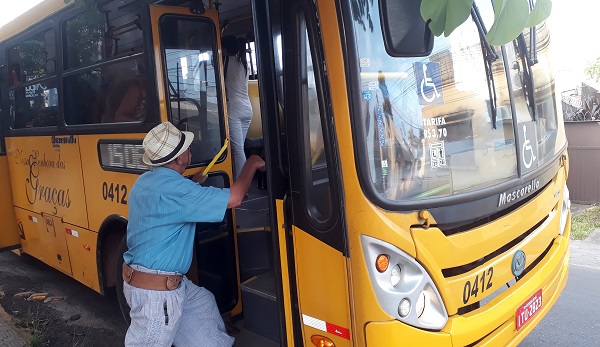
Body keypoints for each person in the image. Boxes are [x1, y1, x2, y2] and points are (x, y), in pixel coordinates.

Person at [122, 121, 265, 347]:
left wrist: (192, 182)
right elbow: (235, 197)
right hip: (157, 295)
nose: (190, 151)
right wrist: (252, 163)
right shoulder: (179, 191)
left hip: (162, 283)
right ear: (179, 159)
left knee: (203, 304)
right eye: (187, 148)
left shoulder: (146, 181)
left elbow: (171, 199)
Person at [222, 35, 253, 179]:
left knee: (238, 149)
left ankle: (242, 185)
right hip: (247, 108)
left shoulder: (225, 61)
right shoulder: (243, 63)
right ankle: (235, 178)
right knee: (239, 149)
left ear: (225, 48)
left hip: (234, 109)